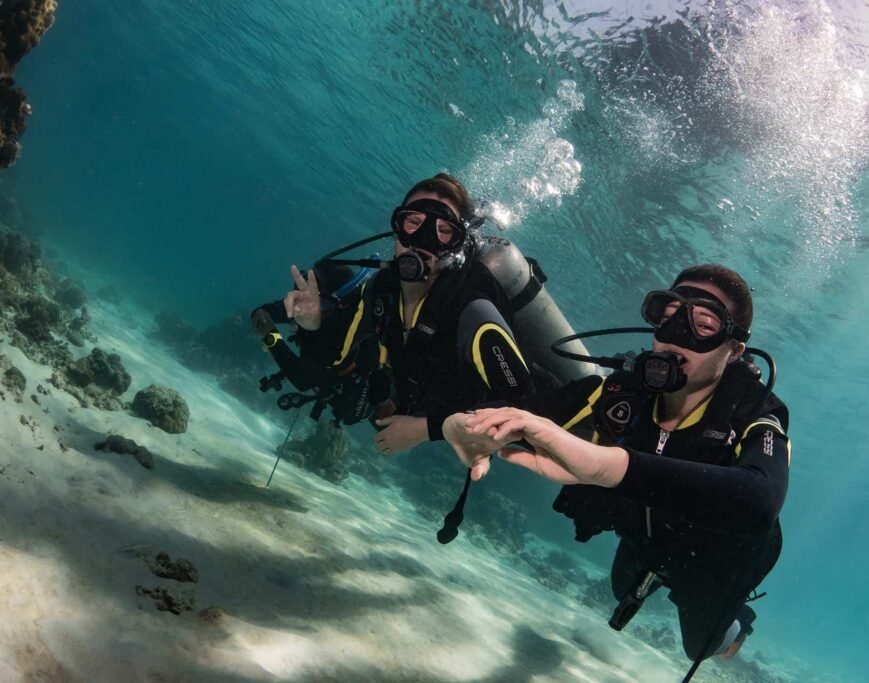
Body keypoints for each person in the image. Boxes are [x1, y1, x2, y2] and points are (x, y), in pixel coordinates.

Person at [443, 264, 791, 672]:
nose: (676, 334)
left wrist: (609, 466)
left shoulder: (754, 411)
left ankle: (739, 625)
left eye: (704, 323)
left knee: (703, 646)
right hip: (642, 535)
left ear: (734, 350)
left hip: (711, 561)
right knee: (620, 588)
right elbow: (519, 415)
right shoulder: (623, 392)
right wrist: (462, 425)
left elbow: (761, 500)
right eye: (669, 316)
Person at [267, 173, 535, 454]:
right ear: (397, 230)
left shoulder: (471, 308)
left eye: (443, 230)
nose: (423, 240)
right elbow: (334, 359)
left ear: (456, 245)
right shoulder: (381, 290)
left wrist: (426, 429)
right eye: (414, 223)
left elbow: (523, 408)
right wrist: (313, 324)